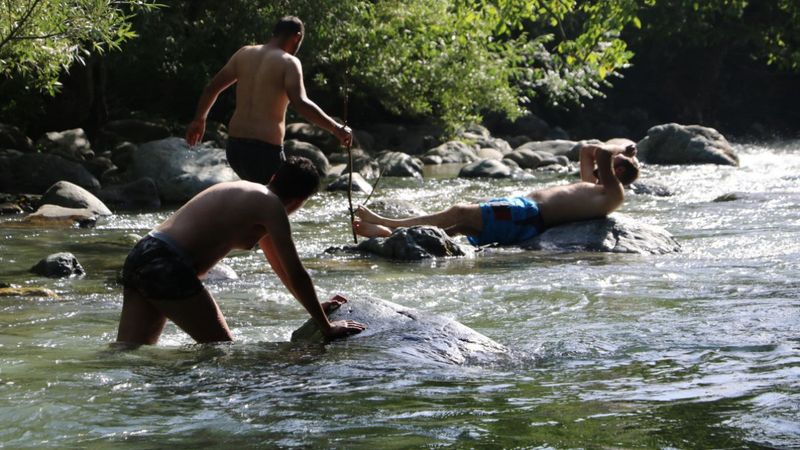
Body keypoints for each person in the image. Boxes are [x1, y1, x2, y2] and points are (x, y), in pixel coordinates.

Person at [117, 156, 366, 345]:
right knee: (222, 351)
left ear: (274, 178)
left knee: (129, 351)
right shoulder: (272, 207)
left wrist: (312, 307)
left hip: (143, 253)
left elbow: (281, 268)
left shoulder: (251, 194)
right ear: (299, 201)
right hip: (168, 265)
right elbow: (297, 272)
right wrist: (327, 327)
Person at [353, 142, 640, 246]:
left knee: (459, 211)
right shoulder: (597, 186)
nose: (604, 168)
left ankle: (390, 224)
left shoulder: (613, 194)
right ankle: (389, 236)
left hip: (527, 214)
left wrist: (624, 152)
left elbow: (601, 151)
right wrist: (619, 157)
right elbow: (587, 151)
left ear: (620, 174)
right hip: (522, 213)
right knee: (461, 227)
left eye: (614, 167)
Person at [185, 15, 352, 184]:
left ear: (275, 33)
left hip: (235, 148)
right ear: (298, 37)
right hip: (264, 151)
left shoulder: (244, 53)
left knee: (255, 199)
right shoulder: (289, 63)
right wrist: (335, 128)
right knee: (278, 203)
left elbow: (211, 88)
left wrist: (199, 120)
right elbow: (300, 103)